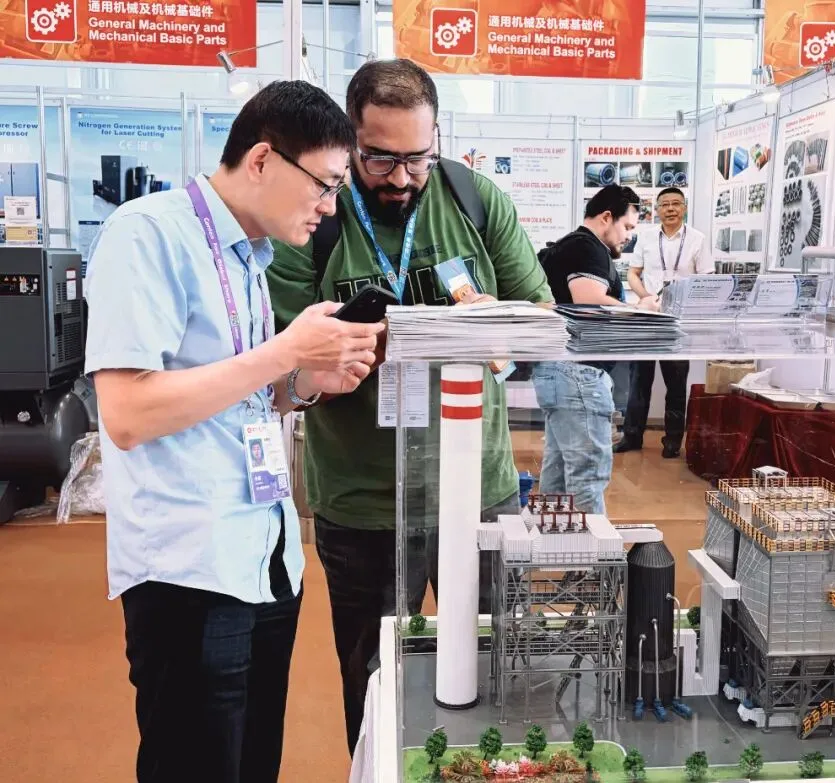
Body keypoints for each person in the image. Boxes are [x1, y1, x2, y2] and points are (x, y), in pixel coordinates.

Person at [84, 81, 384, 783]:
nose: (329, 206)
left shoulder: (250, 256)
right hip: (189, 567)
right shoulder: (149, 234)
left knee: (252, 764)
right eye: (326, 184)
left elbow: (237, 391)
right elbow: (127, 413)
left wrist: (305, 382)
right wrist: (284, 351)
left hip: (264, 559)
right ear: (262, 160)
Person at [265, 58, 552, 754]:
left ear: (437, 139)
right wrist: (345, 352)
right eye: (379, 159)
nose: (400, 177)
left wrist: (496, 327)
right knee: (374, 682)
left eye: (417, 158)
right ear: (348, 140)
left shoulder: (475, 200)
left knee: (497, 666)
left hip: (478, 492)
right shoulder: (315, 218)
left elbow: (541, 318)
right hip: (364, 502)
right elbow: (279, 361)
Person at [533, 185, 645, 515]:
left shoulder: (569, 246)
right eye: (627, 227)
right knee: (587, 475)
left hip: (560, 371)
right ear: (606, 217)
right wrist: (642, 312)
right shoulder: (588, 247)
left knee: (558, 474)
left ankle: (554, 542)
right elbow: (590, 301)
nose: (628, 237)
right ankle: (587, 549)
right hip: (578, 374)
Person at [616, 186, 712, 459]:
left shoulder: (698, 239)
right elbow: (633, 273)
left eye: (676, 204)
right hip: (648, 317)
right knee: (639, 380)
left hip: (678, 321)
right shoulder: (646, 237)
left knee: (676, 382)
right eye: (665, 204)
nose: (670, 209)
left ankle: (672, 441)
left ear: (684, 208)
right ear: (656, 210)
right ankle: (632, 436)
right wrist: (645, 296)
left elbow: (706, 278)